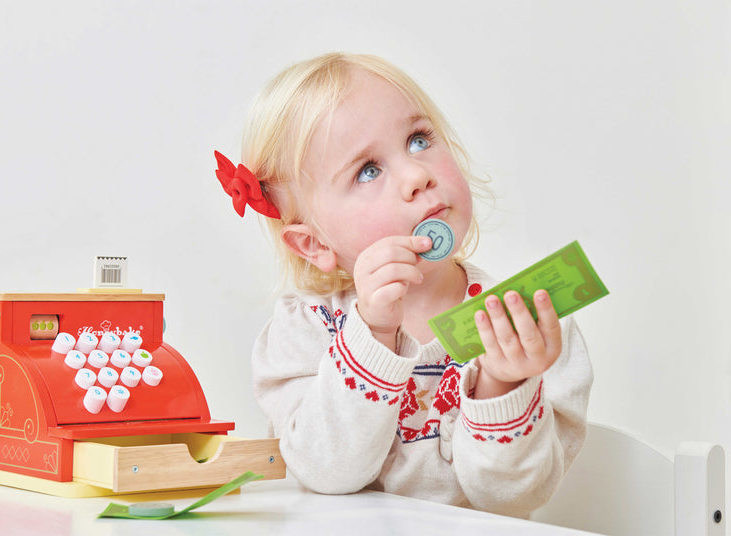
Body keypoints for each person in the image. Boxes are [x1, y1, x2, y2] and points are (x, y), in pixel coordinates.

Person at [214, 52, 593, 518]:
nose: (418, 176)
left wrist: (503, 382)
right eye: (367, 170)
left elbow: (513, 498)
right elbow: (327, 472)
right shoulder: (306, 329)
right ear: (314, 244)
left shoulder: (521, 320)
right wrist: (371, 332)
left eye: (418, 139)